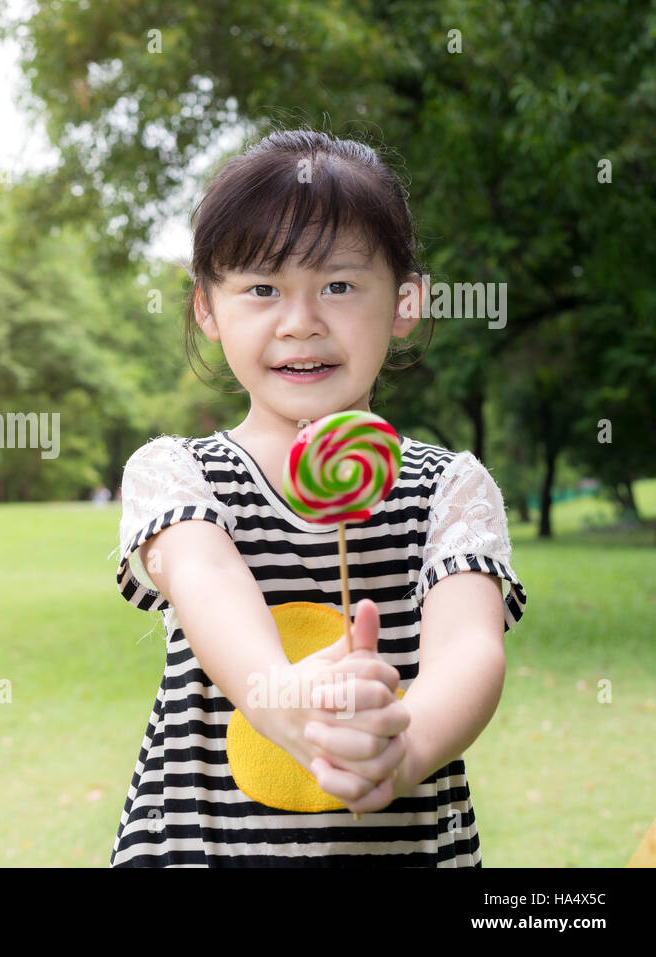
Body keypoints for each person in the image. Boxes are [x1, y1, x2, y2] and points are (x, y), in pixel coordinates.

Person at [109, 128, 528, 867]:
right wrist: (285, 701)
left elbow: (469, 647)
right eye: (262, 288)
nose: (300, 320)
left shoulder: (450, 488)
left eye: (338, 284)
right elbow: (207, 580)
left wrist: (402, 748)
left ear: (405, 303)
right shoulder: (175, 474)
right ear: (207, 309)